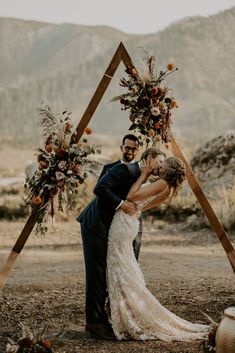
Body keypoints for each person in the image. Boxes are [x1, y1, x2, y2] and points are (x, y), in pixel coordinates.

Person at [104, 154, 210, 341]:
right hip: (130, 220)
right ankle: (123, 309)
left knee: (120, 267)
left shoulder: (162, 185)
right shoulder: (166, 187)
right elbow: (141, 205)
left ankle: (129, 313)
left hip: (124, 223)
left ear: (168, 169)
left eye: (163, 164)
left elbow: (131, 196)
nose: (159, 166)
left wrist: (143, 175)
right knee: (123, 267)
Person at [77, 147, 166, 340]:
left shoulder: (144, 177)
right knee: (96, 274)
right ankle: (93, 323)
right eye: (160, 161)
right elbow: (99, 188)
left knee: (105, 273)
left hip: (110, 228)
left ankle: (103, 317)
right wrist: (121, 204)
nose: (161, 166)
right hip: (95, 224)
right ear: (149, 159)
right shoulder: (125, 169)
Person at [99, 134, 143, 261]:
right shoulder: (108, 168)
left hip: (133, 219)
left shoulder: (142, 172)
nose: (130, 151)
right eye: (127, 148)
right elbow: (101, 192)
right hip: (111, 218)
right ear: (121, 147)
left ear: (137, 150)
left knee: (133, 251)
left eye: (133, 149)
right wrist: (119, 204)